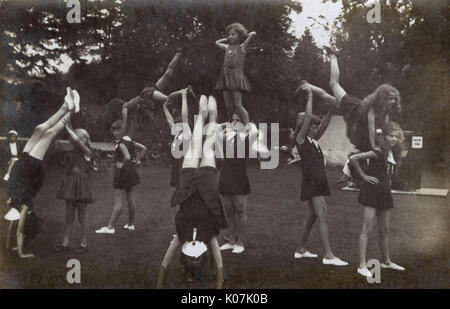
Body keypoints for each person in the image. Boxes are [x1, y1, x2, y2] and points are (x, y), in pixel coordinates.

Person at [157, 95, 227, 289]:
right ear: (202, 251)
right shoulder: (209, 236)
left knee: (197, 144)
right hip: (207, 188)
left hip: (188, 186)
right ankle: (210, 116)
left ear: (185, 251)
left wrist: (159, 285)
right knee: (206, 146)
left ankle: (203, 115)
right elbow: (220, 266)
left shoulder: (181, 235)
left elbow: (164, 263)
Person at [6, 87, 80, 258]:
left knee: (40, 129)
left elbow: (11, 229)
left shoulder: (12, 203)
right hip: (32, 165)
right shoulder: (24, 206)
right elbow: (18, 230)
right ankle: (72, 111)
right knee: (49, 134)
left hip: (23, 161)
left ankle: (65, 106)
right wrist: (21, 253)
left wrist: (10, 246)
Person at [294, 83, 348, 266]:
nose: (316, 128)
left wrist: (332, 109)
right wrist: (310, 95)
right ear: (304, 126)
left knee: (313, 215)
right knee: (322, 215)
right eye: (312, 126)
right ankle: (328, 255)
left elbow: (324, 122)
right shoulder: (300, 139)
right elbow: (309, 116)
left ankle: (300, 249)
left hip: (318, 180)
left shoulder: (313, 140)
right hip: (312, 182)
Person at [349, 122, 406, 277]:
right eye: (391, 136)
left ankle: (386, 261)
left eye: (396, 136)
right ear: (384, 137)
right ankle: (362, 265)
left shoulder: (393, 153)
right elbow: (354, 158)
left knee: (385, 230)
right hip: (372, 191)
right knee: (367, 229)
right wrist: (363, 176)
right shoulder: (378, 151)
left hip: (384, 191)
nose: (394, 139)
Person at [321, 46, 402, 152]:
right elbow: (371, 128)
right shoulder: (373, 108)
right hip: (353, 106)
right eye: (390, 99)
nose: (393, 101)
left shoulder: (385, 110)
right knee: (333, 84)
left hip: (355, 114)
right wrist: (374, 146)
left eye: (394, 99)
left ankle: (312, 89)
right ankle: (333, 57)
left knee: (331, 98)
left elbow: (383, 128)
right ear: (383, 98)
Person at [95, 121, 147, 234]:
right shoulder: (130, 140)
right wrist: (137, 159)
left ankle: (110, 227)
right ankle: (130, 224)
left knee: (118, 200)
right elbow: (144, 148)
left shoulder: (121, 143)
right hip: (131, 172)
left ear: (123, 130)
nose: (115, 132)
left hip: (122, 172)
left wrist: (122, 164)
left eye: (117, 130)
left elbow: (127, 156)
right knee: (130, 196)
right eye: (114, 130)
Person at [54, 115, 94, 254]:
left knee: (82, 216)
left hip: (81, 185)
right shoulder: (74, 151)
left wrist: (67, 128)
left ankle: (84, 243)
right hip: (71, 184)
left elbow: (76, 140)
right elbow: (74, 139)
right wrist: (68, 120)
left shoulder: (88, 152)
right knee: (69, 215)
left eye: (78, 137)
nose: (74, 139)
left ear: (85, 139)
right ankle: (65, 243)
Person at [218, 113, 256, 254]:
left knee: (240, 210)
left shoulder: (247, 138)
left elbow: (254, 129)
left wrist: (246, 126)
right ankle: (231, 241)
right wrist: (224, 125)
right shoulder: (225, 138)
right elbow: (215, 129)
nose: (234, 123)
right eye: (232, 121)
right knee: (228, 211)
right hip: (226, 177)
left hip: (239, 178)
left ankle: (240, 242)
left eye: (237, 121)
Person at [215, 23, 256, 124]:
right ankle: (230, 124)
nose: (230, 36)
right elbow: (216, 42)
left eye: (233, 34)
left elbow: (253, 34)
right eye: (229, 34)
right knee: (228, 105)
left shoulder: (242, 47)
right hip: (225, 75)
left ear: (239, 36)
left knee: (238, 105)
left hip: (235, 76)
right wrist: (228, 39)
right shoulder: (227, 47)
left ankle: (247, 126)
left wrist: (244, 35)